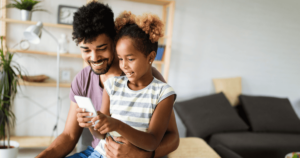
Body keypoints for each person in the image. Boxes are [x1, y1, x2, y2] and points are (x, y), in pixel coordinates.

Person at [36, 2, 179, 158]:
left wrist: (140, 155)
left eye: (102, 48)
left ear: (114, 41)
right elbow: (70, 136)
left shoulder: (148, 77)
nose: (94, 58)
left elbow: (173, 137)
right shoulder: (83, 80)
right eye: (86, 50)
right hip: (98, 151)